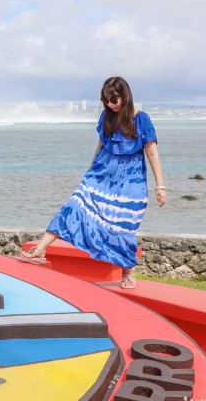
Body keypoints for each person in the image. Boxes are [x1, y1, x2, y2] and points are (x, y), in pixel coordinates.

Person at [20, 77, 166, 289]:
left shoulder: (141, 119)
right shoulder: (106, 118)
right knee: (74, 205)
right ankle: (40, 249)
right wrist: (90, 172)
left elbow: (152, 152)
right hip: (101, 176)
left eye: (114, 99)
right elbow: (100, 146)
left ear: (125, 95)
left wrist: (160, 186)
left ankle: (127, 272)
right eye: (106, 100)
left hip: (130, 182)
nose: (110, 104)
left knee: (123, 226)